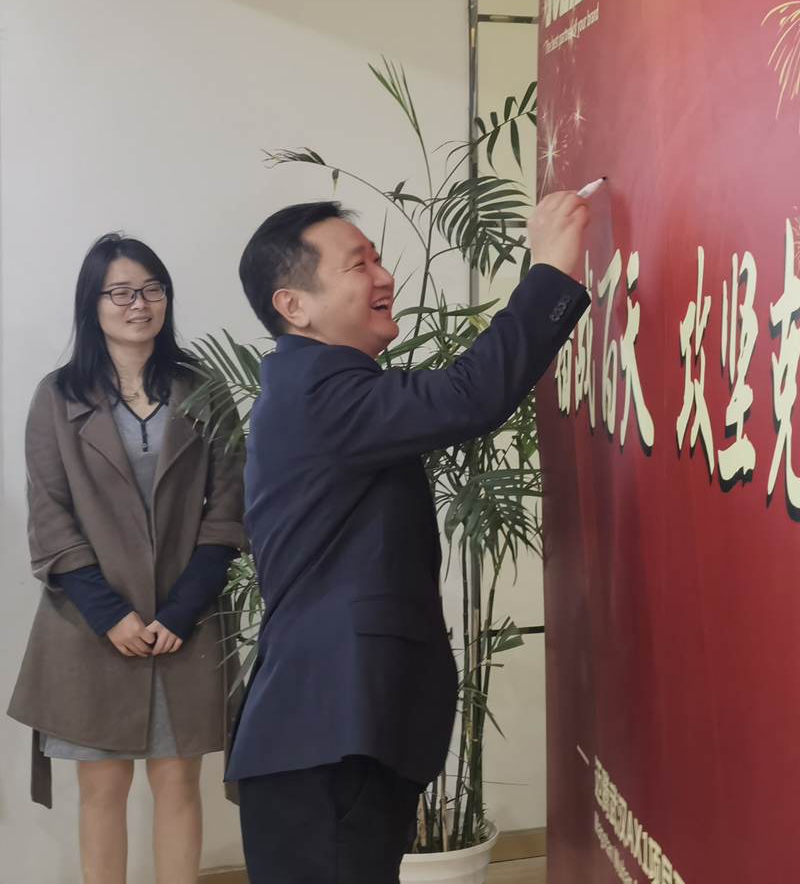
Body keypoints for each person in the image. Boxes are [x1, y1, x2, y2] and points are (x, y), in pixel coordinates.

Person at [228, 190, 591, 883]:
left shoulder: (316, 389)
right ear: (293, 305)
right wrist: (549, 271)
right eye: (357, 264)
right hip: (326, 738)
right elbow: (469, 395)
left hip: (329, 736)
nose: (384, 276)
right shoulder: (318, 392)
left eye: (377, 259)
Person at [7, 234, 246, 884]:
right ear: (92, 303)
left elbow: (228, 509)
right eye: (120, 291)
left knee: (177, 784)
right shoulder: (57, 396)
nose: (138, 303)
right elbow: (50, 517)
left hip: (185, 622)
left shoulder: (203, 387)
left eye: (151, 289)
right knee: (102, 790)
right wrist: (111, 614)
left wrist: (181, 609)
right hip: (90, 627)